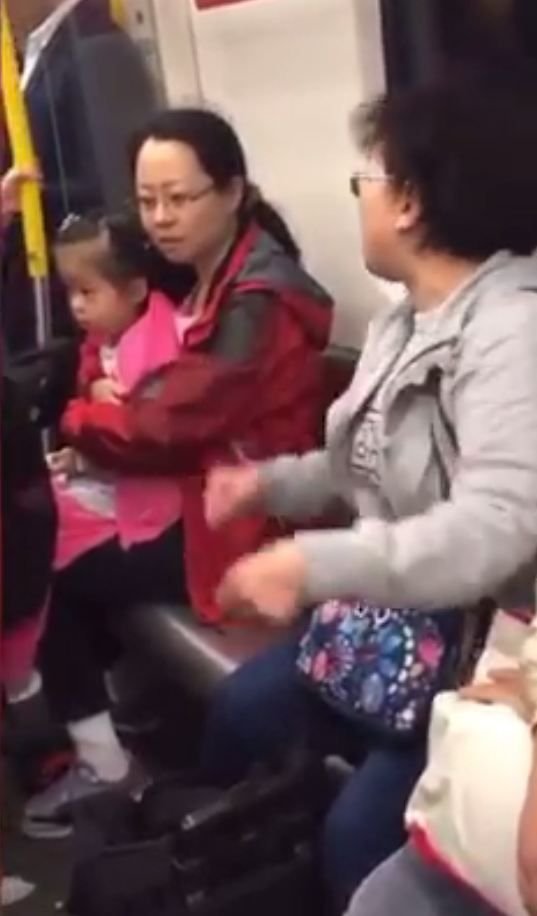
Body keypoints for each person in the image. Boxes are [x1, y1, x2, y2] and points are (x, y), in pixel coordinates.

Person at [201, 62, 537, 913]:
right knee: (239, 713)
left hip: (471, 650)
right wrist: (266, 485)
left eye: (367, 181)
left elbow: (494, 526)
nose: (360, 199)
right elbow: (357, 462)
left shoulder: (511, 331)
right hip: (386, 625)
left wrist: (310, 565)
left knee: (359, 837)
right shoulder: (402, 320)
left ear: (410, 202)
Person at [24, 107, 333, 836]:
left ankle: (103, 761)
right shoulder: (203, 278)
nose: (160, 218)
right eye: (148, 200)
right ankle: (114, 718)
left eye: (179, 198)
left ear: (232, 192)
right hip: (200, 500)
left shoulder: (257, 305)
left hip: (244, 524)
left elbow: (162, 425)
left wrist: (74, 420)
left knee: (43, 565)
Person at [2, 0, 157, 353]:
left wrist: (31, 197)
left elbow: (113, 181)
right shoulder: (36, 49)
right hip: (54, 280)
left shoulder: (97, 45)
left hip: (84, 283)